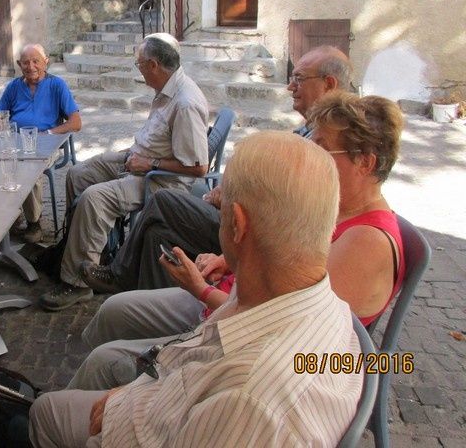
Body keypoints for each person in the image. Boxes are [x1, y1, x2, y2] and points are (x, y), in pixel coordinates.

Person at [29, 131, 362, 447]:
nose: (213, 205)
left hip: (149, 424)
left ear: (237, 224)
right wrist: (132, 391)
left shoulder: (249, 402)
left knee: (43, 414)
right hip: (170, 396)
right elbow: (199, 354)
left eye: (221, 202)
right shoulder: (316, 301)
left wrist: (129, 400)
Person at [68, 92, 404, 394]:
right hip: (228, 302)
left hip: (240, 340)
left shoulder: (366, 244)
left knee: (104, 363)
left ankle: (100, 411)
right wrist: (227, 261)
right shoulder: (332, 208)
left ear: (365, 162)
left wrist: (199, 288)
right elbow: (284, 258)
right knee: (114, 310)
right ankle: (97, 404)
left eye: (321, 148)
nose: (310, 157)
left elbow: (279, 330)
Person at [79, 45, 353, 294]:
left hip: (252, 234)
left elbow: (297, 209)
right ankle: (142, 298)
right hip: (242, 219)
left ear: (329, 84)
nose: (290, 87)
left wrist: (235, 196)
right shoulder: (310, 129)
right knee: (157, 234)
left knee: (162, 201)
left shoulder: (334, 143)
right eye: (292, 78)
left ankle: (119, 276)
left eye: (299, 79)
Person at [39, 33, 210, 311]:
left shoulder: (185, 102)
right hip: (140, 160)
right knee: (78, 174)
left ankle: (77, 283)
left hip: (161, 181)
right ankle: (82, 250)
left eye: (139, 64)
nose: (138, 69)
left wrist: (149, 165)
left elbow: (198, 168)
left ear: (154, 65)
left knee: (95, 198)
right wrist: (140, 159)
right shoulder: (167, 89)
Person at [0, 43, 82, 243]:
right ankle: (11, 216)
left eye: (36, 61)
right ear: (19, 64)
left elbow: (76, 122)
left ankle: (34, 222)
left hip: (46, 144)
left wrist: (47, 133)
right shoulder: (14, 87)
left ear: (46, 62)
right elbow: (0, 116)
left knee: (29, 169)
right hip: (16, 142)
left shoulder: (56, 85)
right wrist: (1, 129)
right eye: (26, 62)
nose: (31, 66)